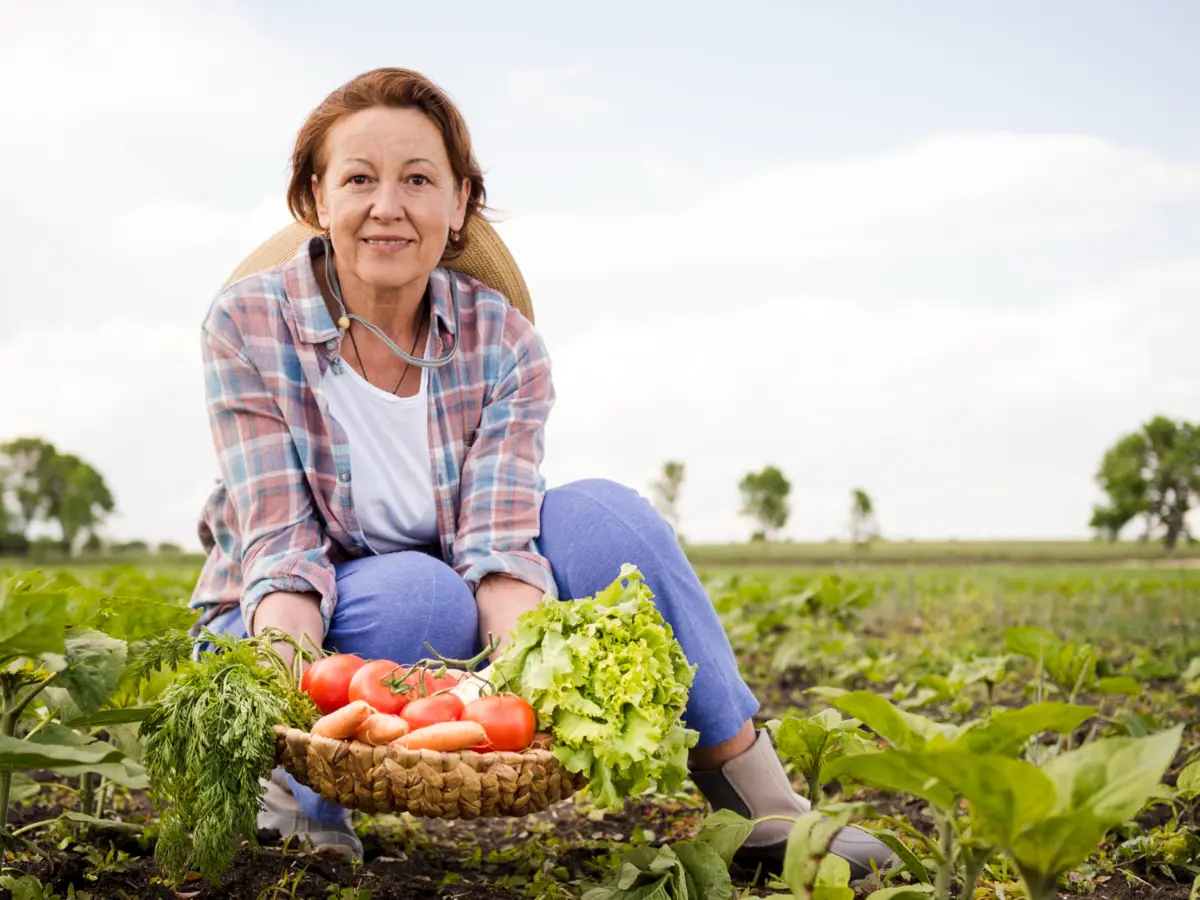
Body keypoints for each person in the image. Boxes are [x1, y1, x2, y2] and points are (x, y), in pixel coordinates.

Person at [189, 66, 895, 881]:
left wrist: (526, 684)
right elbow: (282, 550)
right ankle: (298, 800)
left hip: (451, 624)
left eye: (419, 179)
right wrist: (279, 723)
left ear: (459, 206)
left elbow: (499, 539)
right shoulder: (247, 325)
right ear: (316, 199)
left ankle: (762, 806)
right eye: (359, 178)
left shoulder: (502, 341)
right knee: (423, 595)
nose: (389, 206)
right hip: (282, 625)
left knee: (608, 518)